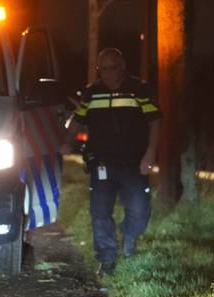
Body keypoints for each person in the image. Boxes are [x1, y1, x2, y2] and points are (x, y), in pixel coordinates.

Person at [61, 48, 162, 277]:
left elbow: (155, 122)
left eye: (112, 67)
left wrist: (151, 153)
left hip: (134, 163)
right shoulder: (92, 92)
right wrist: (67, 141)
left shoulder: (139, 90)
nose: (107, 73)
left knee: (139, 209)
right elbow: (77, 120)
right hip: (101, 164)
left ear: (122, 65)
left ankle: (129, 236)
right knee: (99, 213)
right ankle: (107, 259)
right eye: (102, 68)